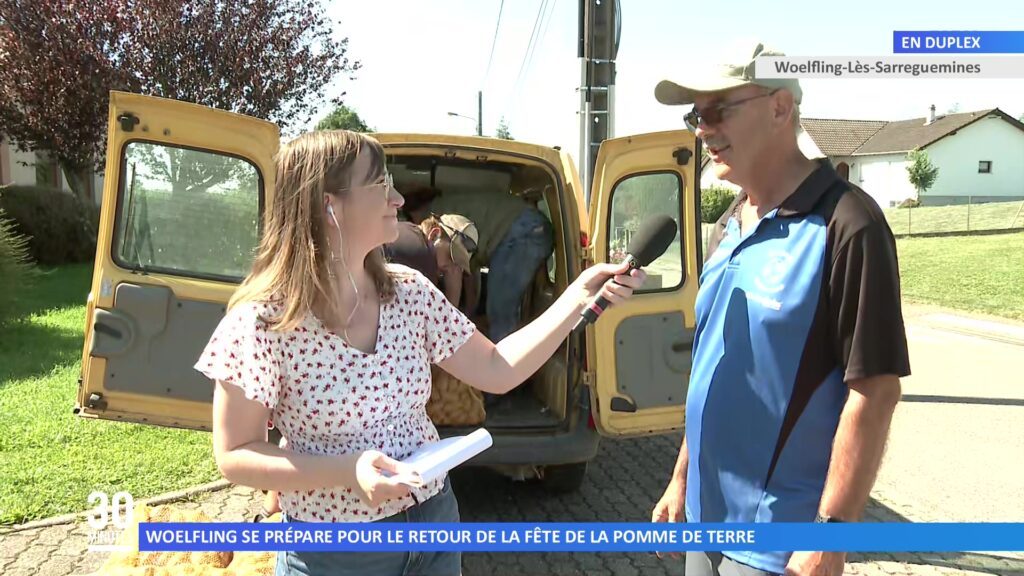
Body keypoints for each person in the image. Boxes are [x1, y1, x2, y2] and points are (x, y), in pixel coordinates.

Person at [193, 129, 645, 576]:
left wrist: (576, 300)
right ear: (330, 204)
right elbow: (236, 454)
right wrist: (349, 471)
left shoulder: (408, 292)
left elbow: (497, 368)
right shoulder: (261, 322)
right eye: (380, 184)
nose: (397, 199)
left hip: (433, 521)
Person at [650, 42, 910, 576]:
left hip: (778, 548)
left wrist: (831, 534)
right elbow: (712, 368)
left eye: (718, 109)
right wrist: (681, 479)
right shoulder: (729, 223)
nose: (703, 128)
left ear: (780, 108)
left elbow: (876, 389)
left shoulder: (848, 225)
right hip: (702, 526)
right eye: (696, 114)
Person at [384, 213, 479, 310]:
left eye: (457, 264)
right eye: (450, 256)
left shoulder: (408, 227)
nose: (451, 268)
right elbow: (442, 320)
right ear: (434, 235)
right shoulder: (423, 258)